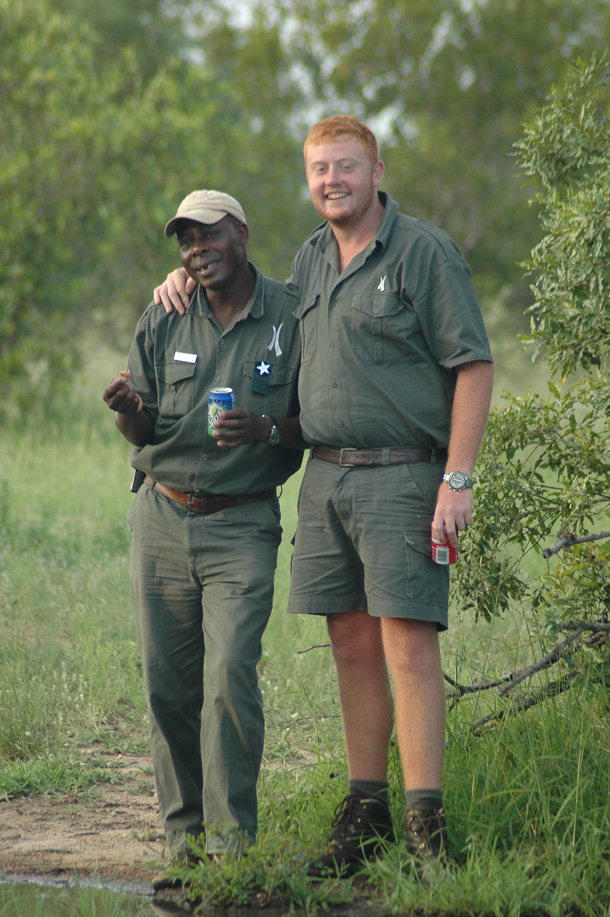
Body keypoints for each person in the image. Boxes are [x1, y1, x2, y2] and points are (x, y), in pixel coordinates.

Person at [154, 117, 494, 878]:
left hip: (405, 472)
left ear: (377, 170)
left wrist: (457, 478)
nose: (331, 180)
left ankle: (426, 825)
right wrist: (186, 274)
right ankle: (365, 813)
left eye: (345, 166)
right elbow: (242, 293)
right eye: (318, 170)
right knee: (348, 640)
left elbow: (473, 366)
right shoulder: (308, 261)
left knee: (408, 641)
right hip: (327, 475)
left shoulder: (422, 252)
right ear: (307, 180)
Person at [103, 190, 304, 889]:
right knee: (167, 686)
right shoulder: (165, 312)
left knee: (228, 678)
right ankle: (183, 843)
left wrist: (268, 429)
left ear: (241, 233)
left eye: (210, 235)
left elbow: (318, 418)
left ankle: (232, 846)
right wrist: (130, 412)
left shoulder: (289, 313)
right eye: (186, 241)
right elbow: (146, 428)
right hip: (161, 516)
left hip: (243, 521)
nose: (197, 250)